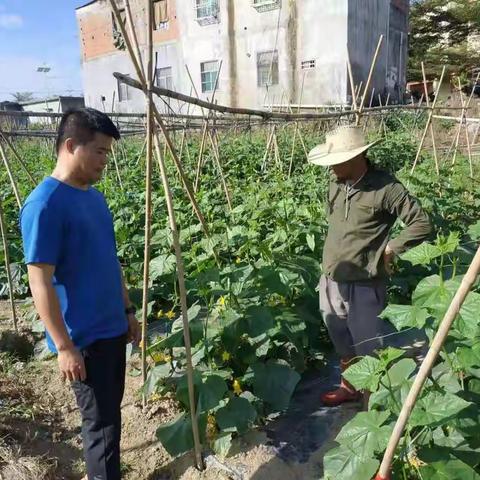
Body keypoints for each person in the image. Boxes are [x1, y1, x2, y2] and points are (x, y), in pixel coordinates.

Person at [20, 108, 140, 480]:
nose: (106, 160)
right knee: (100, 428)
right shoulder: (45, 204)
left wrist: (129, 310)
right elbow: (39, 281)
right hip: (84, 340)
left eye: (108, 152)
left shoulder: (94, 198)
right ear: (71, 146)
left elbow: (110, 260)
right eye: (100, 151)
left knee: (109, 418)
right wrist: (65, 347)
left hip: (112, 329)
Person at [308, 125, 431, 407]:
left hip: (364, 283)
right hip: (331, 280)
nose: (330, 168)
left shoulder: (386, 188)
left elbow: (421, 223)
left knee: (368, 345)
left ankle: (372, 402)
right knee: (340, 339)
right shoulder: (336, 184)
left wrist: (391, 248)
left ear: (357, 157)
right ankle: (349, 386)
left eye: (335, 161)